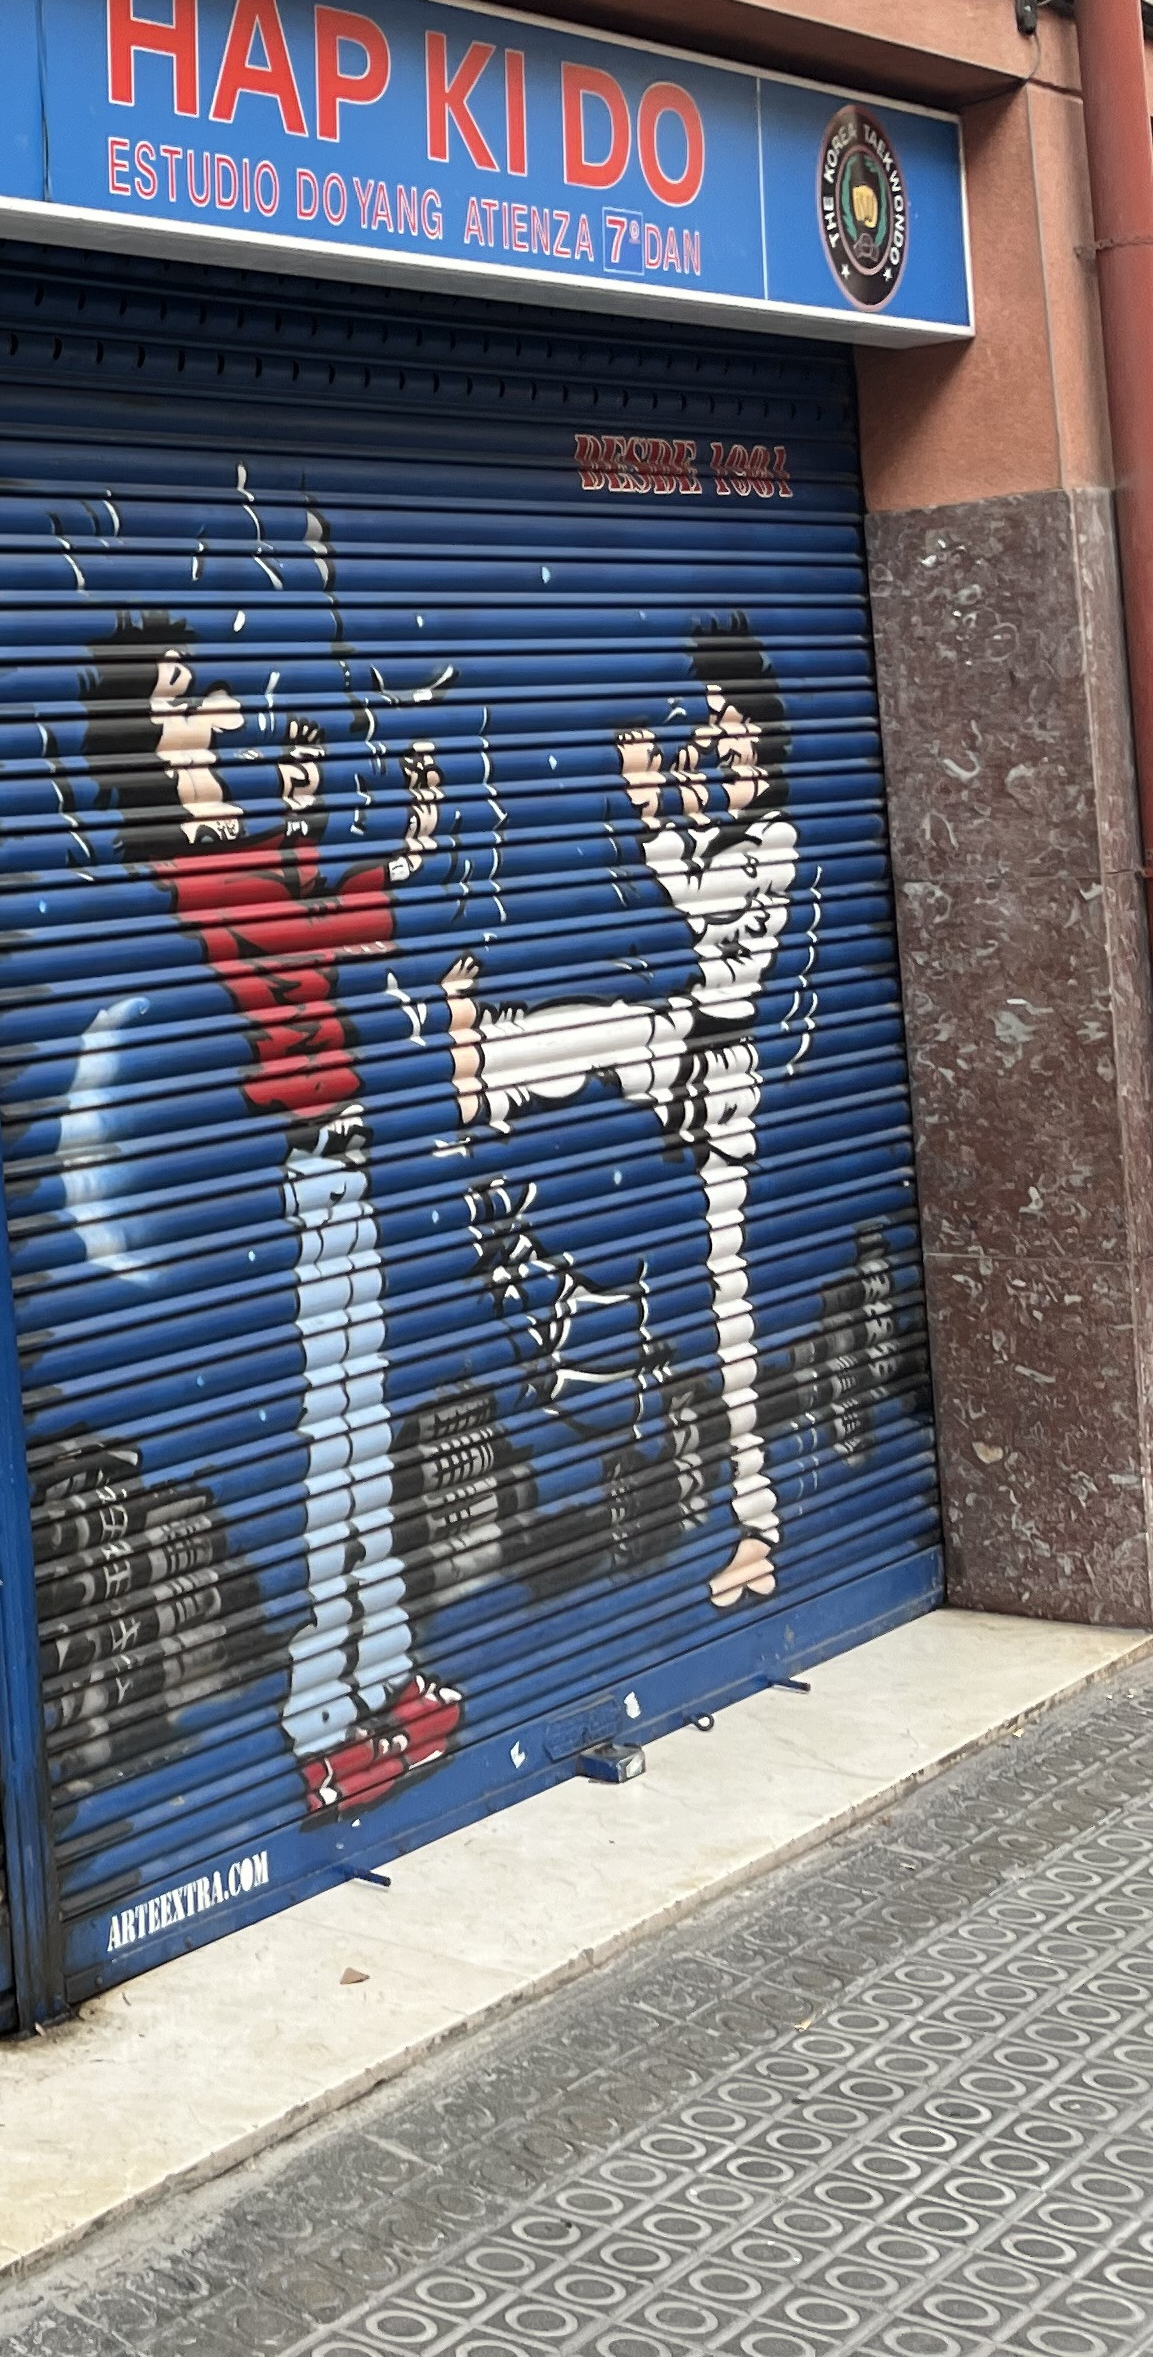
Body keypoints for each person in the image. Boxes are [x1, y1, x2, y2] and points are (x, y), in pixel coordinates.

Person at [80, 614, 460, 1827]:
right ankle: (321, 1722)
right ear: (147, 739)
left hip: (340, 1160)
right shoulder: (188, 871)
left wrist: (325, 817)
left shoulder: (234, 846)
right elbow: (314, 932)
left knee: (361, 1438)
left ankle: (387, 1680)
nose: (223, 707)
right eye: (188, 694)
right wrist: (371, 846)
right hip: (305, 1180)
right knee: (332, 1454)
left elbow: (307, 904)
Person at [439, 617, 798, 1611]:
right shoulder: (731, 821)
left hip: (719, 1062)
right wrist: (660, 803)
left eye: (725, 726)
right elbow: (687, 881)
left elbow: (700, 898)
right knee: (604, 1030)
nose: (712, 740)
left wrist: (661, 802)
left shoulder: (773, 837)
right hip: (690, 1037)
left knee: (727, 1298)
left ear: (760, 734)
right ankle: (491, 1066)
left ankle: (756, 1531)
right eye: (712, 724)